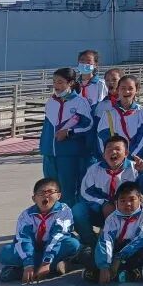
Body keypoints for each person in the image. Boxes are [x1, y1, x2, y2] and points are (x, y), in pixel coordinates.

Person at [72, 135, 143, 246]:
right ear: (104, 154)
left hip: (127, 211)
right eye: (109, 149)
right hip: (100, 210)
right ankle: (90, 243)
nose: (113, 152)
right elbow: (85, 192)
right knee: (77, 210)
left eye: (117, 149)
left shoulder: (135, 168)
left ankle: (126, 242)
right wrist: (103, 203)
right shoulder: (94, 169)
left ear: (126, 153)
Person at [0, 177, 80, 283]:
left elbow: (58, 236)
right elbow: (24, 239)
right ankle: (55, 267)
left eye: (50, 192)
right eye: (41, 193)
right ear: (34, 198)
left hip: (55, 248)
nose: (46, 196)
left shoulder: (64, 211)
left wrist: (46, 261)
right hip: (33, 250)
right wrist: (28, 264)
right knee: (6, 252)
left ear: (58, 196)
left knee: (73, 244)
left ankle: (19, 271)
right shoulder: (26, 215)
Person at [84, 181, 143, 284]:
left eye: (132, 199)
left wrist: (120, 257)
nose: (128, 204)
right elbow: (106, 240)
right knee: (89, 253)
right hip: (118, 248)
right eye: (122, 201)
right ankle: (116, 274)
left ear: (140, 199)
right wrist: (104, 266)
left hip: (135, 249)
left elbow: (142, 239)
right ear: (116, 203)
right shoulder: (112, 218)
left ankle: (124, 273)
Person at [40, 67, 94, 205]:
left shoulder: (80, 102)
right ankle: (54, 217)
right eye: (54, 82)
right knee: (50, 191)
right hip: (49, 154)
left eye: (60, 82)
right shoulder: (51, 102)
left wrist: (69, 132)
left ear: (70, 83)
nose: (56, 85)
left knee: (67, 192)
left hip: (68, 155)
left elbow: (88, 125)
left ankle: (68, 217)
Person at [95, 74, 143, 163]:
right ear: (118, 90)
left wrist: (129, 157)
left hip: (136, 160)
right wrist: (109, 156)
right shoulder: (109, 113)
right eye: (123, 88)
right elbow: (102, 137)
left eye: (130, 88)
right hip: (114, 161)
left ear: (137, 90)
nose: (127, 91)